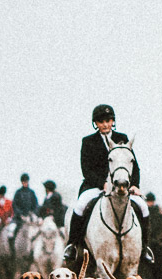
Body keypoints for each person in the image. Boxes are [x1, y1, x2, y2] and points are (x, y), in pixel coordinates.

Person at [62, 104, 154, 264]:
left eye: (108, 120)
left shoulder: (123, 138)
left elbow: (134, 166)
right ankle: (73, 245)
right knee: (80, 206)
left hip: (122, 186)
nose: (105, 124)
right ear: (95, 123)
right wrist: (102, 184)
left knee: (143, 207)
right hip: (95, 186)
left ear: (113, 121)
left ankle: (144, 247)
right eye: (101, 121)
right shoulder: (88, 141)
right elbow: (86, 170)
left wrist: (135, 185)